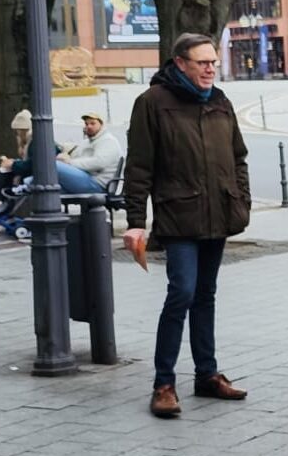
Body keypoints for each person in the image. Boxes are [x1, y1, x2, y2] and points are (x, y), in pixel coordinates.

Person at [123, 33, 252, 419]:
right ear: (180, 63)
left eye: (214, 62)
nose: (211, 69)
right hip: (178, 214)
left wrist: (240, 197)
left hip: (219, 213)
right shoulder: (152, 103)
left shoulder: (220, 100)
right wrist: (135, 222)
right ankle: (164, 384)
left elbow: (238, 156)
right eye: (202, 62)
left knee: (205, 294)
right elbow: (139, 166)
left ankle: (206, 374)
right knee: (181, 292)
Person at [63, 112, 125, 189]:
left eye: (93, 123)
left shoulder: (108, 140)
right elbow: (76, 155)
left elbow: (99, 162)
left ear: (101, 125)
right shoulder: (88, 141)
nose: (89, 126)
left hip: (98, 183)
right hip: (87, 177)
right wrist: (65, 155)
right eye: (86, 124)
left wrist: (69, 163)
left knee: (54, 166)